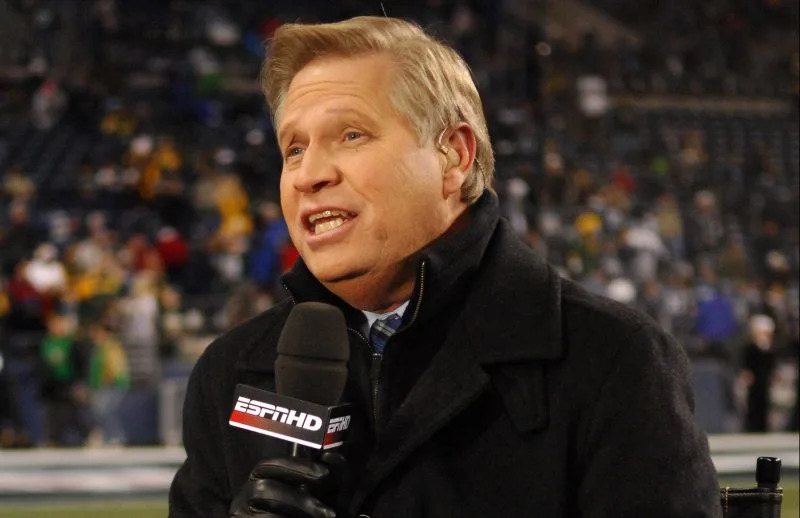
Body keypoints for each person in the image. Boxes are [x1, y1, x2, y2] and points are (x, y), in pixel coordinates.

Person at [170, 16, 721, 517]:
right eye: (293, 149)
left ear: (454, 156)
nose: (308, 174)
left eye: (351, 135)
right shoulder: (231, 372)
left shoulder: (612, 361)